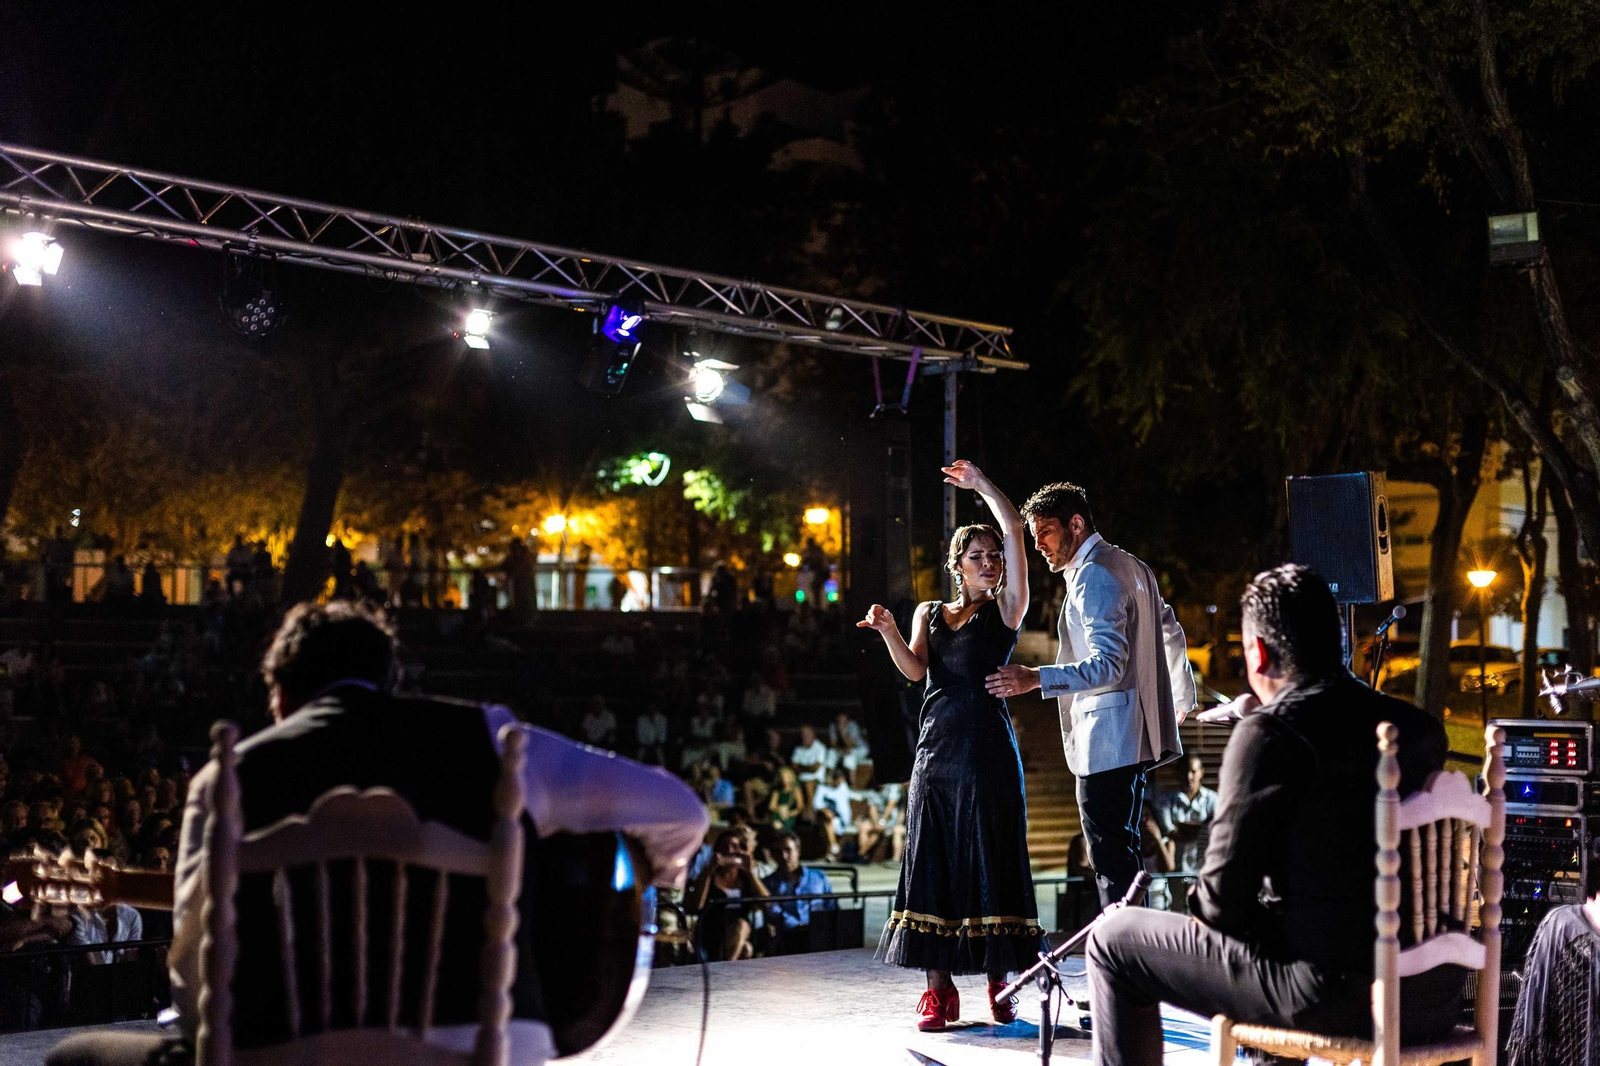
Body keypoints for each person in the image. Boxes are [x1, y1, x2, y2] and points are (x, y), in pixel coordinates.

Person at [46, 600, 707, 1066]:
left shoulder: (225, 778)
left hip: (273, 1053)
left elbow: (197, 974)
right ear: (390, 681)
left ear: (278, 697)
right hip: (490, 1045)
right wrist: (640, 884)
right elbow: (681, 811)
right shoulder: (498, 741)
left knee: (76, 1058)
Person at [1084, 565, 1464, 1066]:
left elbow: (1219, 904)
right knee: (1285, 932)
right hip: (1432, 994)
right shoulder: (1418, 729)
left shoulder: (1271, 735)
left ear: (1257, 652)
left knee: (1114, 938)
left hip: (1337, 997)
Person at [859, 459, 1043, 1031]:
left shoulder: (1007, 611)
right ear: (956, 566)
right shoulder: (930, 613)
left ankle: (1000, 983)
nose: (990, 563)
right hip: (936, 752)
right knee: (932, 863)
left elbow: (1015, 533)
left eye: (993, 557)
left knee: (992, 859)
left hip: (988, 750)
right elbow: (916, 673)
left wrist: (985, 485)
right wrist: (891, 631)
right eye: (978, 557)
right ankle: (939, 993)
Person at [985, 480, 1195, 907]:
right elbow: (1170, 631)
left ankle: (1120, 958)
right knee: (1124, 854)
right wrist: (1179, 698)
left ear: (1075, 524)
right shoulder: (1133, 566)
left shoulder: (1094, 574)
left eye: (1045, 531)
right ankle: (1134, 953)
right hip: (1133, 737)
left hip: (1108, 739)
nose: (1039, 544)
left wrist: (1036, 678)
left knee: (1110, 859)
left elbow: (1109, 664)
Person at [688, 827, 769, 961]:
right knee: (746, 949)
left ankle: (724, 971)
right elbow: (696, 906)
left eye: (735, 846)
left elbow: (767, 902)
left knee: (741, 926)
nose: (730, 851)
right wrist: (709, 870)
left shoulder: (745, 877)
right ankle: (728, 973)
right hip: (713, 932)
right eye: (725, 846)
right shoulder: (710, 875)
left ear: (742, 850)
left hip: (741, 930)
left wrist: (749, 872)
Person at [762, 830, 836, 954]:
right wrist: (798, 926)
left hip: (820, 935)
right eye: (779, 852)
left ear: (798, 851)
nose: (784, 856)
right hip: (788, 937)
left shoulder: (818, 877)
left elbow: (831, 905)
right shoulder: (769, 883)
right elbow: (773, 910)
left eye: (788, 850)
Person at [1149, 755, 1218, 876]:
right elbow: (1168, 831)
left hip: (1203, 872)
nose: (1189, 777)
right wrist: (1202, 830)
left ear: (1201, 772)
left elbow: (1216, 832)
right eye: (1185, 771)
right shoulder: (1166, 801)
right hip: (1175, 873)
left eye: (1193, 771)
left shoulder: (1213, 800)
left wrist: (1180, 829)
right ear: (1178, 773)